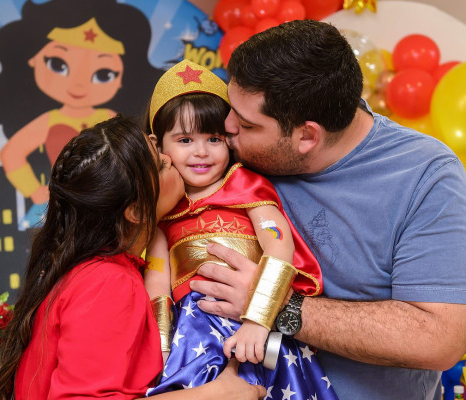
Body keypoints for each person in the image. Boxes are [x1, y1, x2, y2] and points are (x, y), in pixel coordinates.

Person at [189, 20, 466, 400]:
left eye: (247, 124)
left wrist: (274, 302)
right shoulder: (230, 151)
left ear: (306, 135)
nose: (226, 127)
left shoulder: (425, 176)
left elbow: (440, 338)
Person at [0, 115, 266, 400]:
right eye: (161, 164)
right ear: (137, 211)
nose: (170, 158)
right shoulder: (107, 282)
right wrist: (216, 394)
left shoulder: (90, 272)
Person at [143, 59, 338, 400]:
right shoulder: (164, 210)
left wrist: (258, 319)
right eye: (185, 139)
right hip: (193, 335)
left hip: (258, 328)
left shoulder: (246, 186)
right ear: (157, 145)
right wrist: (159, 349)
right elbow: (157, 280)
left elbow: (279, 245)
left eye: (213, 138)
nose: (201, 152)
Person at [0, 0, 163, 228]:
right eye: (58, 64)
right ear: (32, 59)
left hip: (110, 209)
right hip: (65, 208)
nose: (78, 84)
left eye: (103, 73)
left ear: (122, 77)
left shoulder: (111, 120)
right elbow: (11, 153)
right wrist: (36, 191)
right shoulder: (51, 121)